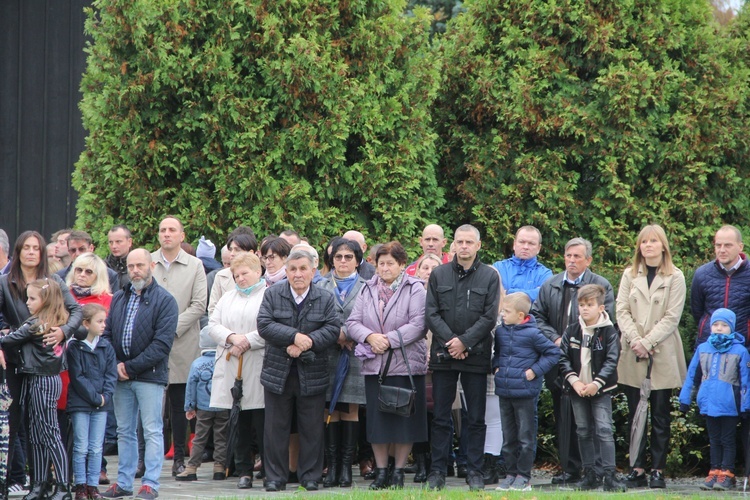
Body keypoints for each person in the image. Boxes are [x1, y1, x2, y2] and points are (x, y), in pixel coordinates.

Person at [0, 231, 82, 497]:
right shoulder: (4, 282)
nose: (32, 252)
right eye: (27, 247)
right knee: (18, 425)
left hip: (45, 365)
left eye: (37, 247)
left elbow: (77, 311)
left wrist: (63, 331)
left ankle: (52, 483)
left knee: (46, 427)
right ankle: (29, 482)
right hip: (14, 362)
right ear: (18, 251)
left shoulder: (54, 280)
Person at [530, 237, 615, 485]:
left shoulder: (601, 285)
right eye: (568, 256)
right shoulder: (551, 284)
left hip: (593, 364)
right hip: (561, 361)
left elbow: (609, 320)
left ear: (588, 260)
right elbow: (537, 316)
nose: (572, 261)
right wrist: (557, 339)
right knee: (567, 418)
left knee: (599, 423)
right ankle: (570, 469)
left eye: (577, 256)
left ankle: (600, 471)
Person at [257, 246, 340, 492]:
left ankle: (310, 476)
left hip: (311, 371)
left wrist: (307, 343)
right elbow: (264, 324)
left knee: (312, 427)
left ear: (313, 271)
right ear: (287, 271)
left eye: (303, 269)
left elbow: (333, 329)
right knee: (275, 428)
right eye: (292, 269)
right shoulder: (273, 294)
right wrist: (294, 337)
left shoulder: (324, 297)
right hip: (277, 372)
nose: (298, 274)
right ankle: (274, 477)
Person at [425, 224, 500, 491]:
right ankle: (437, 472)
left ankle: (475, 471)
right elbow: (431, 314)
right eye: (460, 242)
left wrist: (465, 342)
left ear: (478, 245)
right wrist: (451, 343)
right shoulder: (439, 274)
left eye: (469, 242)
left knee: (476, 418)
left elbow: (490, 316)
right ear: (453, 245)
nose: (464, 246)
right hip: (444, 355)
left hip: (476, 354)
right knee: (441, 417)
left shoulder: (490, 276)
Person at [347, 241, 428, 489]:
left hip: (406, 365)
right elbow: (353, 322)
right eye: (380, 263)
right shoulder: (367, 289)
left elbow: (418, 324)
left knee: (405, 422)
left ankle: (399, 472)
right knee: (377, 422)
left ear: (402, 265)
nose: (384, 268)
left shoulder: (416, 288)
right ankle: (382, 472)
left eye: (390, 263)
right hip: (376, 366)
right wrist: (371, 338)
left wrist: (387, 340)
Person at [101, 248, 178, 500]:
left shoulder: (166, 301)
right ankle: (123, 482)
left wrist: (128, 367)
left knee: (152, 430)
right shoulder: (119, 298)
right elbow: (107, 335)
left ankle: (150, 484)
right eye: (131, 266)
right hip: (121, 376)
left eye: (140, 265)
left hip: (149, 376)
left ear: (151, 266)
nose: (135, 270)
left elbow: (161, 345)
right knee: (124, 431)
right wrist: (115, 365)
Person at [616, 225, 686, 489]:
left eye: (653, 241)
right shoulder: (629, 274)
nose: (648, 245)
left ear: (663, 245)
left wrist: (648, 341)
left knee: (659, 413)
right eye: (643, 241)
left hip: (661, 350)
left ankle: (657, 469)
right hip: (634, 351)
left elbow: (672, 316)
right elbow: (621, 310)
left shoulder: (675, 277)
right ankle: (637, 468)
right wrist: (636, 341)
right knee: (635, 413)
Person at [151, 216, 207, 477]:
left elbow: (198, 305)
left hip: (182, 343)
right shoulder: (148, 262)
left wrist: (170, 328)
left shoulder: (195, 265)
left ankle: (179, 459)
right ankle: (145, 460)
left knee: (179, 406)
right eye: (162, 230)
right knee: (150, 404)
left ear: (182, 235)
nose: (167, 234)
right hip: (150, 345)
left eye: (172, 230)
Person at [207, 252, 268, 489]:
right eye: (236, 275)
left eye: (245, 273)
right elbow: (213, 325)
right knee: (239, 420)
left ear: (258, 271)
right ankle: (244, 470)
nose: (240, 279)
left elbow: (270, 325)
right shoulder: (227, 298)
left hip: (257, 364)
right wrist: (232, 337)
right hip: (233, 364)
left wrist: (247, 340)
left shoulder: (269, 295)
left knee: (262, 421)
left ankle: (268, 468)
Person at [559, 285, 625, 492]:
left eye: (589, 305)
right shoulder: (572, 330)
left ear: (600, 307)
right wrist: (575, 382)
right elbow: (562, 359)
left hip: (600, 390)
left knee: (604, 429)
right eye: (581, 305)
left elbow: (611, 360)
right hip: (577, 389)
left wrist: (596, 384)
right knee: (583, 430)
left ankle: (609, 475)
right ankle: (590, 474)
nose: (584, 309)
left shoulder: (609, 331)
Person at [492, 292, 558, 492]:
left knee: (525, 436)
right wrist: (496, 367)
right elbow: (499, 354)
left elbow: (554, 352)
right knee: (508, 436)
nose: (502, 314)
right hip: (505, 390)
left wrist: (534, 371)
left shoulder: (533, 333)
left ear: (521, 315)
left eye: (507, 311)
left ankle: (523, 476)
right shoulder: (501, 332)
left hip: (526, 393)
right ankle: (511, 474)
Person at [680, 308, 750, 491]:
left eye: (724, 325)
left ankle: (728, 473)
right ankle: (714, 470)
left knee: (727, 439)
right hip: (708, 402)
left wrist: (746, 404)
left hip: (729, 405)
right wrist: (685, 398)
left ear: (732, 328)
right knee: (714, 439)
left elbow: (746, 381)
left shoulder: (740, 351)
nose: (719, 328)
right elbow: (691, 375)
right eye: (716, 324)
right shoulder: (703, 349)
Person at [317, 239, 368, 488]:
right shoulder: (321, 285)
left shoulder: (368, 287)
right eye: (338, 257)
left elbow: (371, 318)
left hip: (355, 355)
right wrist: (335, 334)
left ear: (358, 260)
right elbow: (315, 317)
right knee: (330, 409)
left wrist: (349, 333)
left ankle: (347, 467)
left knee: (350, 409)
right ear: (331, 260)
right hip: (327, 355)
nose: (343, 261)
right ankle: (333, 466)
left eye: (349, 257)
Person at [67, 303, 117, 500]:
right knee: (81, 446)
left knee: (96, 447)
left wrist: (106, 396)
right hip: (81, 404)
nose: (104, 325)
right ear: (86, 324)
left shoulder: (106, 346)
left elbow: (111, 375)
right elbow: (77, 377)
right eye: (100, 321)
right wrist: (97, 398)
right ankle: (80, 484)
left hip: (101, 406)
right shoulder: (74, 347)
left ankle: (93, 486)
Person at [175, 329, 229, 483]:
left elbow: (190, 387)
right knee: (221, 437)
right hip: (223, 405)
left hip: (204, 408)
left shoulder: (197, 364)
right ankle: (219, 467)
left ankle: (192, 468)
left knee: (200, 438)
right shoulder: (226, 360)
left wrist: (190, 407)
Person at [691, 225, 750, 347]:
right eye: (718, 245)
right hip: (709, 347)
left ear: (740, 247)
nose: (722, 250)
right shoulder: (702, 274)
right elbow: (697, 311)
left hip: (744, 346)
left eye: (728, 245)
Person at [491, 226, 551, 302]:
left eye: (531, 243)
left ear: (539, 248)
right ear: (514, 244)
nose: (526, 247)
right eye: (522, 242)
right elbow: (492, 294)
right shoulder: (498, 268)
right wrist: (531, 293)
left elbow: (543, 295)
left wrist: (507, 292)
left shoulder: (544, 274)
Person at [208, 231, 258, 315]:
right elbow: (213, 309)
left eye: (237, 250)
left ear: (251, 253)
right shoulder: (221, 276)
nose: (232, 254)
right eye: (230, 249)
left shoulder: (262, 275)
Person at [56, 231, 120, 294]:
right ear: (69, 251)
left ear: (91, 248)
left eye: (82, 249)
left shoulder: (109, 275)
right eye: (73, 250)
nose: (77, 254)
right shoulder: (59, 276)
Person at [106, 225, 133, 291]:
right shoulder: (103, 266)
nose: (114, 246)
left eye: (118, 242)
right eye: (111, 242)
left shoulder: (137, 265)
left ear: (129, 242)